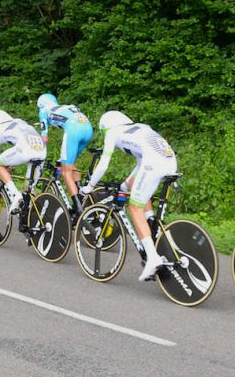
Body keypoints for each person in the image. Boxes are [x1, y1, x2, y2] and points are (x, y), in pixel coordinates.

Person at [80, 110, 177, 282]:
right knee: (142, 194)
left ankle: (153, 258)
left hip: (154, 163)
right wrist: (124, 186)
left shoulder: (112, 132)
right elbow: (141, 165)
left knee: (134, 207)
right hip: (169, 162)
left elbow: (103, 165)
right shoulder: (139, 127)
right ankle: (151, 225)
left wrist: (90, 186)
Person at [0, 110, 47, 214]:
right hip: (42, 151)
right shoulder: (19, 122)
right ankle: (39, 214)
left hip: (26, 149)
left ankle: (15, 195)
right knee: (28, 189)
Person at [35, 93, 93, 214]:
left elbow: (44, 138)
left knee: (65, 171)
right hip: (88, 129)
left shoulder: (44, 111)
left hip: (73, 130)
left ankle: (78, 208)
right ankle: (80, 194)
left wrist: (40, 153)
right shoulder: (65, 107)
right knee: (70, 165)